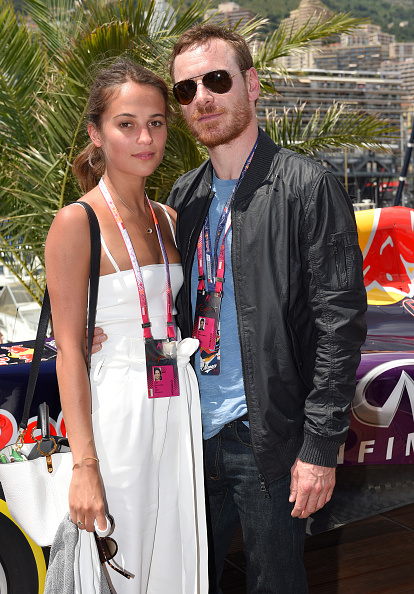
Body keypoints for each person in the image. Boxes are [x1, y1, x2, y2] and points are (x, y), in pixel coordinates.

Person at [93, 25, 367, 593]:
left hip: (268, 441)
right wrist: (101, 331)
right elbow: (157, 302)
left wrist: (319, 449)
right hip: (187, 437)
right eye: (187, 90)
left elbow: (340, 327)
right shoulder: (182, 200)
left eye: (216, 80)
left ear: (252, 84)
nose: (203, 99)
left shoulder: (305, 187)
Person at [45, 58, 208, 593]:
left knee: (174, 561)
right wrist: (84, 466)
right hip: (116, 410)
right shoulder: (76, 222)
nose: (146, 137)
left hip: (175, 403)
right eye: (127, 123)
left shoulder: (171, 219)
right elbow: (69, 350)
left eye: (157, 122)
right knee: (122, 563)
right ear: (96, 132)